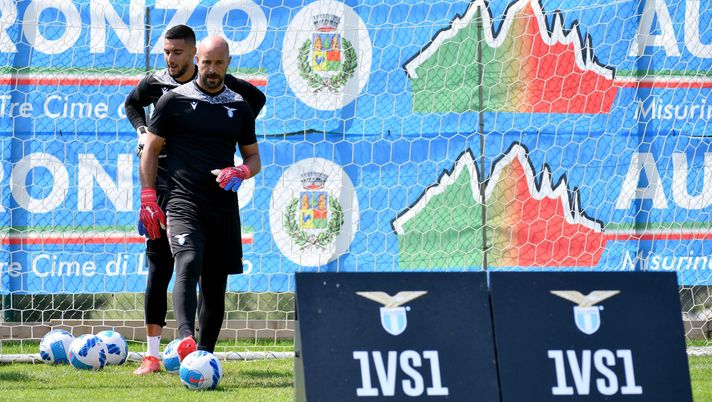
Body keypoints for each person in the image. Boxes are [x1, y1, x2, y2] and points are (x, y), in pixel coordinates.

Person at [125, 25, 265, 375]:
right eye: (207, 62)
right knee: (179, 263)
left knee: (215, 284)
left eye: (219, 63)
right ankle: (177, 342)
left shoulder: (239, 104)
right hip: (178, 198)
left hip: (222, 207)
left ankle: (203, 359)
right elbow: (149, 148)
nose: (213, 69)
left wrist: (242, 172)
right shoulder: (171, 98)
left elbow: (252, 157)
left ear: (227, 63)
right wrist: (147, 197)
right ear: (198, 61)